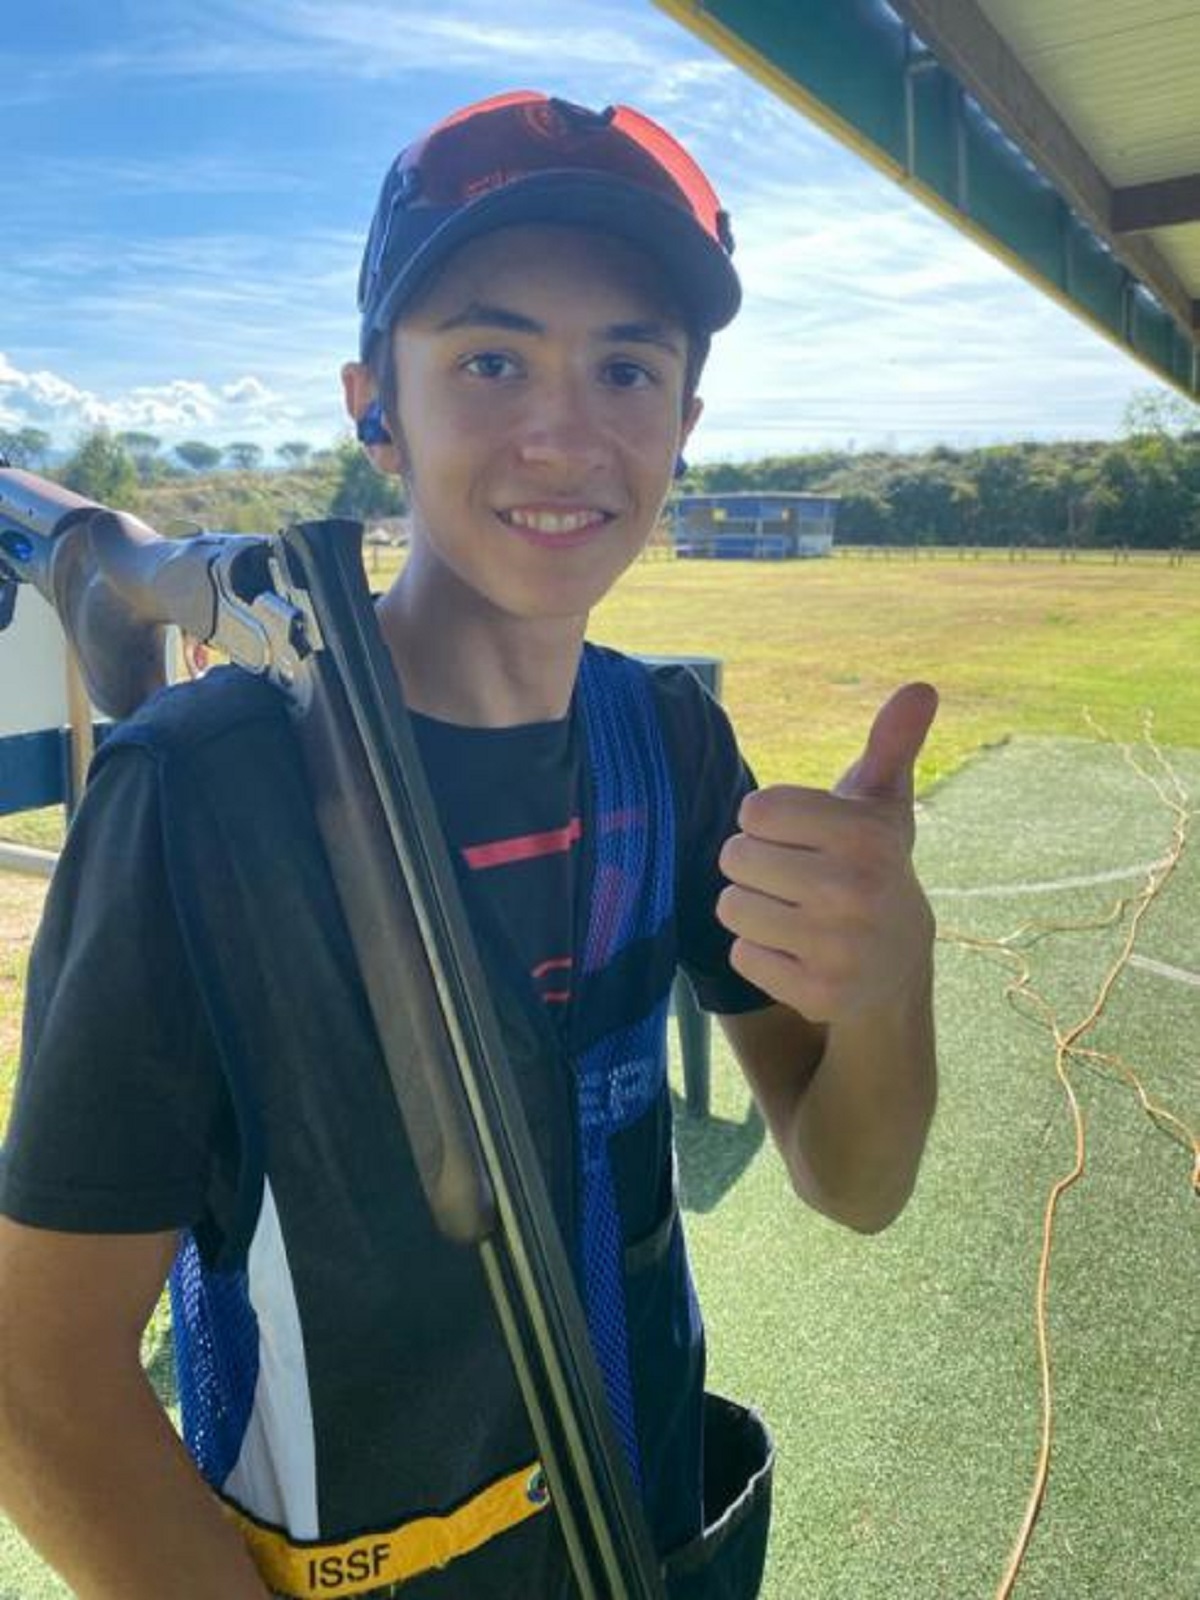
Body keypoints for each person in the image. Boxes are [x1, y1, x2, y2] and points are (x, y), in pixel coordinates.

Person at [0, 91, 938, 1600]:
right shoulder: (199, 794)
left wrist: (893, 979)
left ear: (684, 427)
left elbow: (854, 1177)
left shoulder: (668, 743)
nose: (563, 435)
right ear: (375, 405)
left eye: (626, 367)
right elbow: (37, 1380)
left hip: (653, 1531)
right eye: (490, 360)